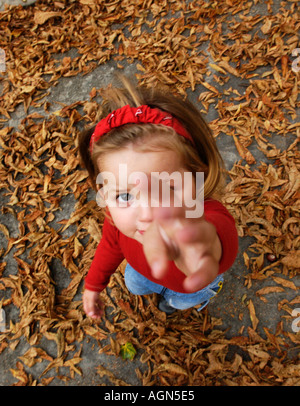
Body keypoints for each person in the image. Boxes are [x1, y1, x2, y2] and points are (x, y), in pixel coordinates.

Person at [79, 76, 238, 318]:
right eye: (124, 196)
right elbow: (110, 246)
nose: (147, 214)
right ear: (105, 195)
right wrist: (93, 285)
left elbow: (212, 240)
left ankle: (196, 295)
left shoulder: (209, 215)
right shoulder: (117, 218)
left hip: (188, 287)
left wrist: (196, 245)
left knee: (179, 300)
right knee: (134, 283)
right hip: (142, 271)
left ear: (197, 177)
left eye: (166, 189)